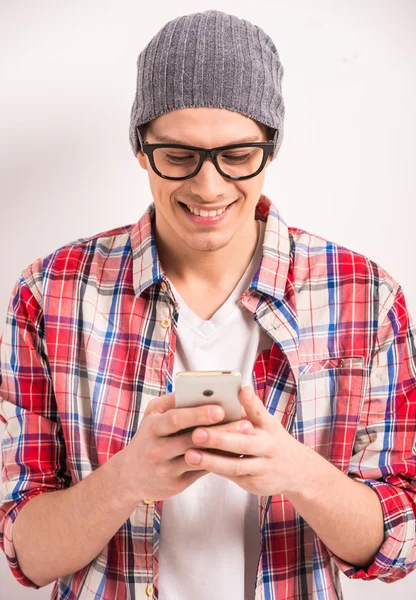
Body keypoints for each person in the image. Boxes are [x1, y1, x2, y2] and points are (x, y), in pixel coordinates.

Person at [0, 8, 415, 600]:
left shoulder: (366, 296)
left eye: (238, 155)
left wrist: (296, 472)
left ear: (271, 147)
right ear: (141, 150)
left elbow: (400, 544)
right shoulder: (51, 293)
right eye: (178, 156)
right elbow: (27, 556)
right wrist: (126, 479)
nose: (209, 186)